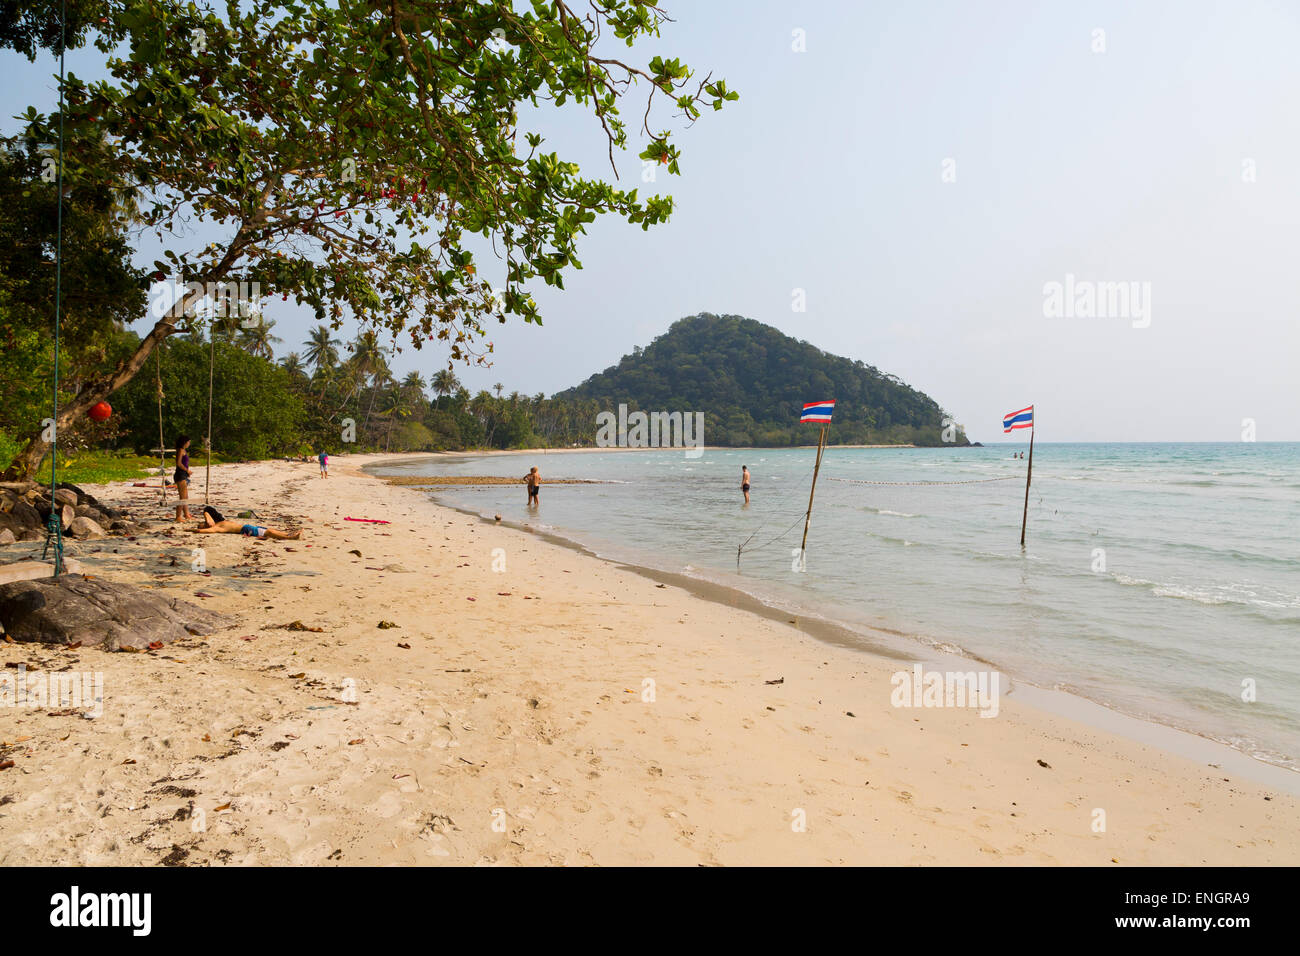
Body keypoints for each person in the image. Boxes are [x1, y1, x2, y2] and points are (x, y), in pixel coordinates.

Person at [191, 510, 301, 540]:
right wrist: (191, 530)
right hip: (245, 529)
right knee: (269, 532)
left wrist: (206, 517)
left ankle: (287, 534)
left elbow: (208, 509)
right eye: (204, 524)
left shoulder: (220, 521)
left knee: (269, 530)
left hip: (246, 527)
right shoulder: (217, 527)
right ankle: (290, 538)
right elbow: (204, 531)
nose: (207, 523)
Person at [173, 435, 193, 522]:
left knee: (185, 496)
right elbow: (178, 463)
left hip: (183, 474)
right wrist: (187, 470)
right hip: (180, 475)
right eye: (188, 442)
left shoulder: (184, 450)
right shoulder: (180, 450)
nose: (189, 443)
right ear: (185, 442)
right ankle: (178, 517)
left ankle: (186, 514)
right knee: (182, 497)